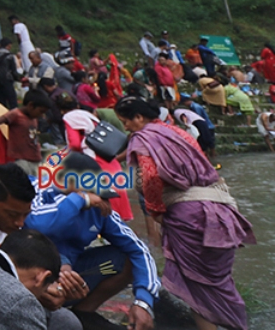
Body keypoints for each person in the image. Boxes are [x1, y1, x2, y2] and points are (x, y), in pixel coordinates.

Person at [118, 96, 255, 330]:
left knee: (198, 290)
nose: (126, 128)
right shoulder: (177, 132)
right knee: (219, 283)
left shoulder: (143, 138)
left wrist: (155, 209)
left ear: (139, 117)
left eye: (126, 122)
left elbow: (150, 176)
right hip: (220, 210)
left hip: (189, 215)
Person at [25, 152, 159, 330]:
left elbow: (138, 249)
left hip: (72, 275)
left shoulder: (99, 208)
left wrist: (144, 301)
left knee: (126, 259)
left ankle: (83, 314)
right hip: (30, 275)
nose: (99, 199)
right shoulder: (39, 192)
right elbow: (41, 227)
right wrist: (80, 200)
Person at [54, 94, 133, 220]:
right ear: (78, 105)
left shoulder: (69, 118)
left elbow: (74, 144)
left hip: (94, 163)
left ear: (61, 110)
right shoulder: (89, 116)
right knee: (116, 203)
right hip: (110, 160)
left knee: (100, 206)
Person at [0, 89, 50, 176]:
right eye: (41, 111)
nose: (42, 115)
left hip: (36, 159)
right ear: (31, 105)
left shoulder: (33, 118)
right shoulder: (15, 115)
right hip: (22, 161)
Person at [0, 37, 21, 109]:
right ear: (8, 46)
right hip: (6, 79)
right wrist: (18, 78)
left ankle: (1, 116)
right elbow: (13, 70)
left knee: (1, 101)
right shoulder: (9, 56)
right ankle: (13, 116)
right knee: (12, 100)